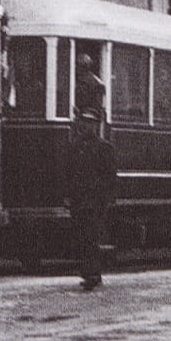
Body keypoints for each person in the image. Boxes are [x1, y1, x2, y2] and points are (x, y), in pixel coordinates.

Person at [63, 106, 117, 291]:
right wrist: (68, 196)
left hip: (95, 202)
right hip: (79, 201)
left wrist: (106, 199)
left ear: (96, 126)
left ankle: (92, 274)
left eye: (90, 123)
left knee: (91, 238)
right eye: (84, 122)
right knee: (81, 238)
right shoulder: (74, 147)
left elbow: (110, 176)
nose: (86, 126)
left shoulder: (104, 148)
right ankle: (90, 273)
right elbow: (68, 175)